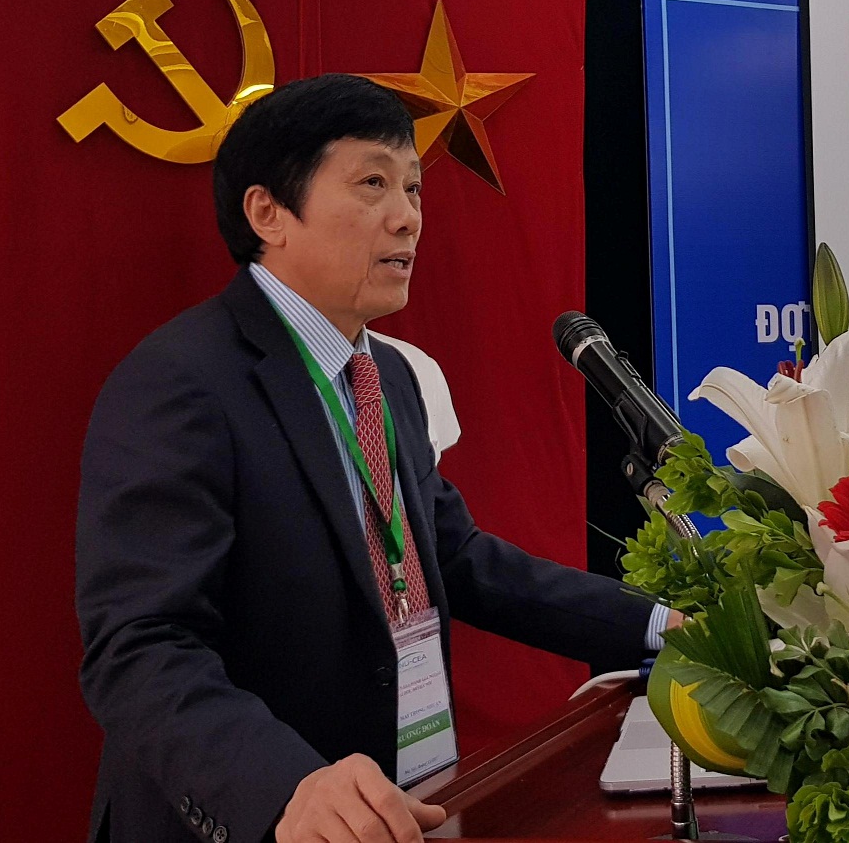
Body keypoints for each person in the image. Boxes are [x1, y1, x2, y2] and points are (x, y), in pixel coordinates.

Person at [76, 74, 675, 843]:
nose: (407, 216)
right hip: (278, 818)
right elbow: (139, 647)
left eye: (413, 188)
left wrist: (662, 625)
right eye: (372, 184)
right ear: (268, 212)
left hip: (407, 802)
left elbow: (454, 558)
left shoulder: (385, 373)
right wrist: (284, 787)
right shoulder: (180, 383)